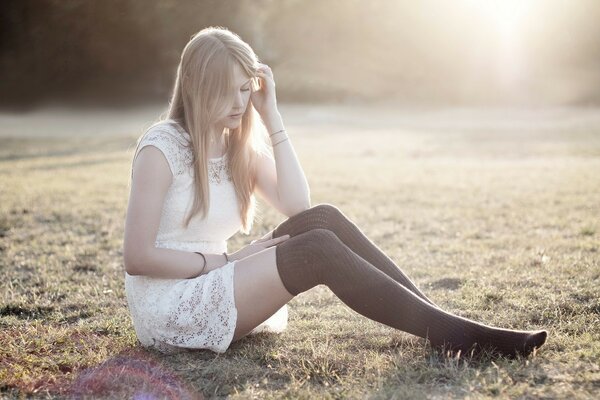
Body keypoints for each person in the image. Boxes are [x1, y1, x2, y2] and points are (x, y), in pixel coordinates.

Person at [123, 26, 547, 357]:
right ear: (198, 87)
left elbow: (299, 208)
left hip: (222, 275)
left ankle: (443, 324)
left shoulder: (237, 147)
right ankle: (452, 333)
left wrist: (271, 117)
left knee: (322, 219)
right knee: (317, 250)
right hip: (171, 301)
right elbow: (137, 257)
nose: (239, 102)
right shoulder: (162, 148)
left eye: (244, 88)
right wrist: (226, 261)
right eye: (226, 89)